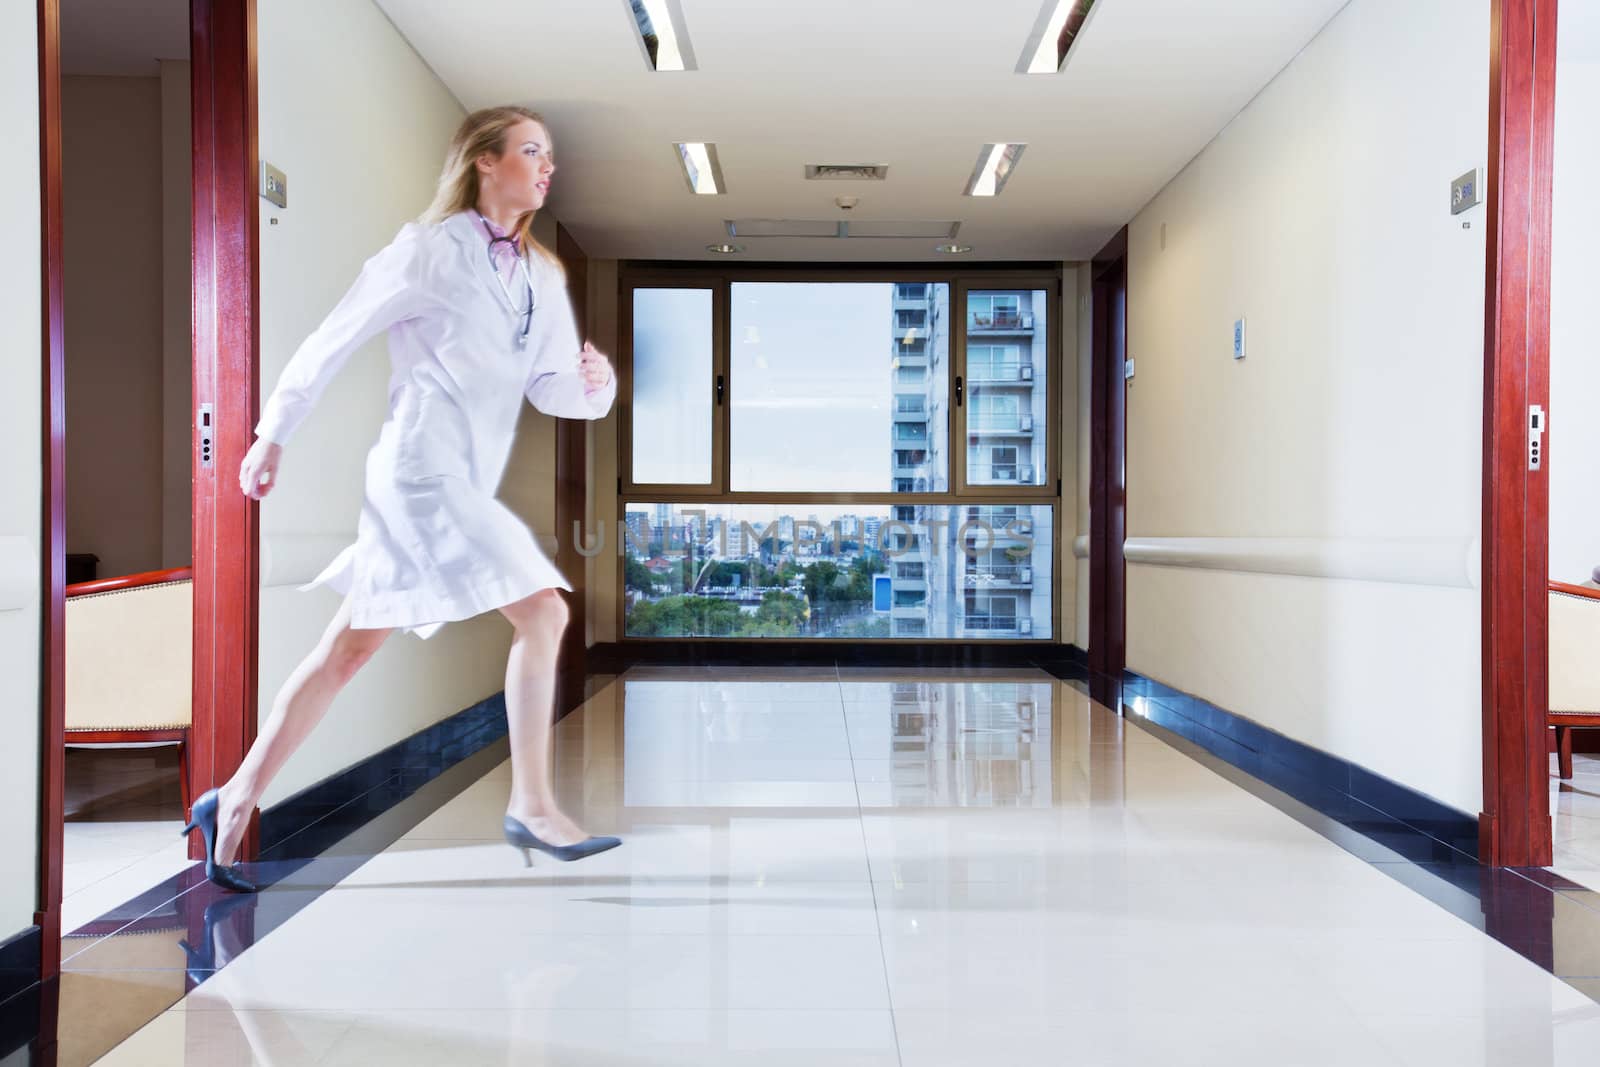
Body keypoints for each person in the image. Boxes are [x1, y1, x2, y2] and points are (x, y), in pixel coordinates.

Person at [180, 106, 620, 892]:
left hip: (460, 477)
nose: (547, 166)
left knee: (347, 650)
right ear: (484, 161)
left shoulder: (544, 277)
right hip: (418, 472)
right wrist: (271, 434)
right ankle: (533, 803)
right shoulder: (427, 252)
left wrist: (599, 386)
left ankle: (234, 794)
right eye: (530, 151)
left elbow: (554, 390)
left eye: (551, 155)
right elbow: (333, 337)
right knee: (545, 610)